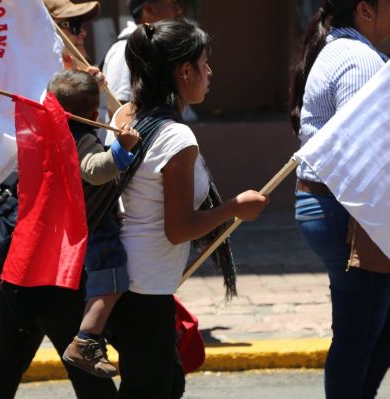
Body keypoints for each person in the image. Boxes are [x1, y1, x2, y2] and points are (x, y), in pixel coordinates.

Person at [104, 20, 269, 398]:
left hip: (125, 280)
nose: (209, 73)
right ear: (184, 71)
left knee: (164, 382)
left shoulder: (126, 117)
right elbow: (178, 229)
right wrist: (234, 208)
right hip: (144, 288)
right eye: (204, 64)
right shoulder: (176, 136)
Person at [0, 2, 121, 398]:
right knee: (85, 370)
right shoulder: (37, 92)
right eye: (71, 26)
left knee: (9, 356)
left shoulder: (62, 86)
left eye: (82, 27)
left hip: (31, 258)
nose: (81, 35)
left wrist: (91, 89)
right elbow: (94, 162)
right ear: (48, 30)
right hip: (51, 260)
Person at [289, 1, 390, 398]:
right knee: (359, 333)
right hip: (349, 209)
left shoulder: (349, 51)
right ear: (365, 8)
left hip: (343, 204)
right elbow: (367, 147)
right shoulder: (359, 58)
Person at [43, 70, 139, 379]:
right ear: (94, 114)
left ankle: (92, 338)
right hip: (97, 226)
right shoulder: (82, 137)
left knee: (104, 282)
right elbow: (95, 170)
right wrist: (122, 148)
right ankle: (85, 340)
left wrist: (96, 86)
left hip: (77, 222)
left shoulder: (54, 129)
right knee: (111, 282)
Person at [102, 0, 183, 105]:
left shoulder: (152, 46)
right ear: (148, 9)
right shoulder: (126, 48)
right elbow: (118, 105)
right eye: (171, 3)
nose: (179, 10)